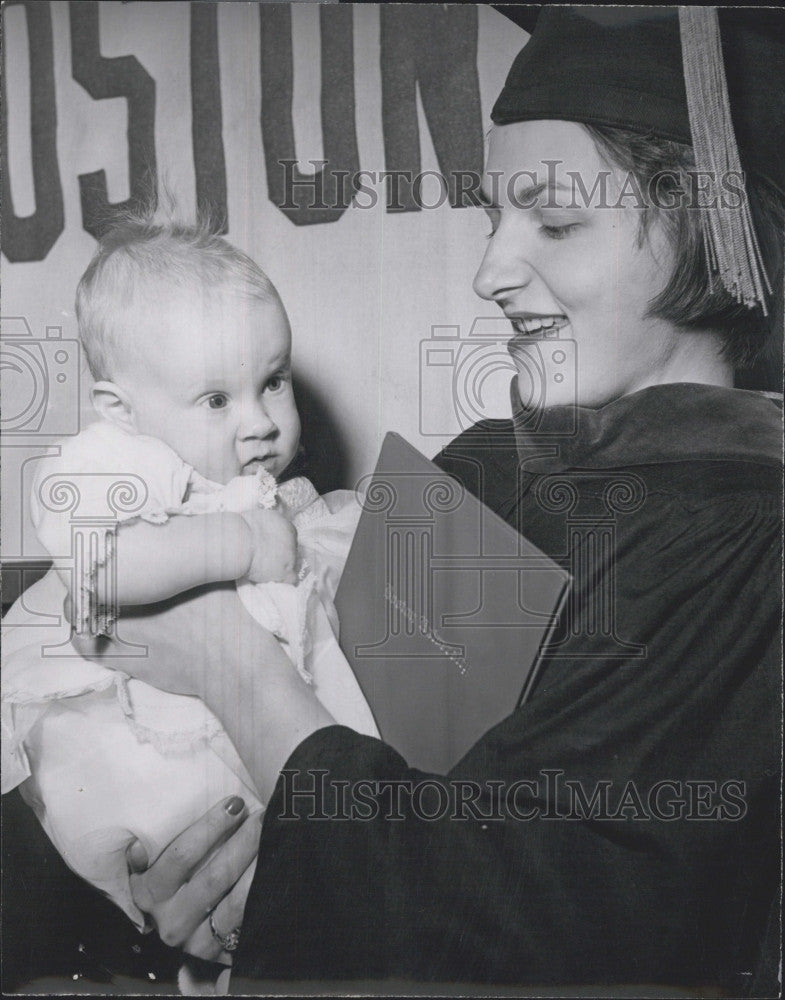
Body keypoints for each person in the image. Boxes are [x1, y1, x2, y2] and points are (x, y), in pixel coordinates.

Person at [8, 5, 783, 993]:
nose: (490, 271)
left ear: (711, 224)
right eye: (490, 217)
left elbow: (512, 932)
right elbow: (294, 824)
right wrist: (194, 869)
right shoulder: (490, 464)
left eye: (552, 219)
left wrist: (228, 661)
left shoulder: (740, 536)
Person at [1, 217, 377, 937]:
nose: (260, 422)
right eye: (216, 400)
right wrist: (237, 544)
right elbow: (98, 561)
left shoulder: (267, 490)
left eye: (272, 382)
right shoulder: (115, 462)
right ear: (122, 410)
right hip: (135, 730)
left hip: (251, 729)